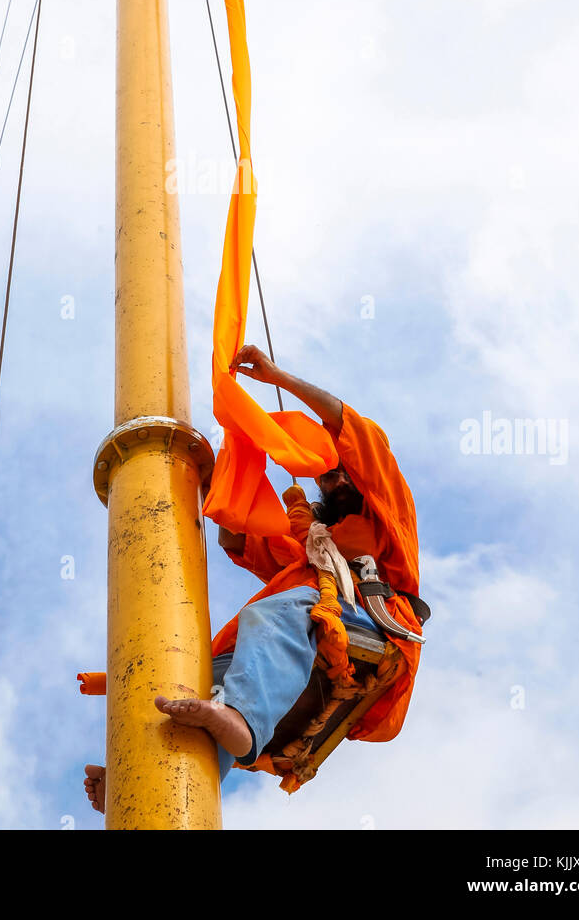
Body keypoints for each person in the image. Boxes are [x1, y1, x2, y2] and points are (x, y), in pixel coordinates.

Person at [84, 345, 422, 813]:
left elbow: (350, 427)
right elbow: (239, 534)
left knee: (276, 613)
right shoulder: (309, 550)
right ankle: (137, 781)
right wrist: (235, 446)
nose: (333, 480)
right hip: (305, 628)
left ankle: (240, 715)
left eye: (340, 470)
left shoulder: (388, 514)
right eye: (324, 477)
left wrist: (277, 378)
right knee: (196, 689)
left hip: (370, 624)